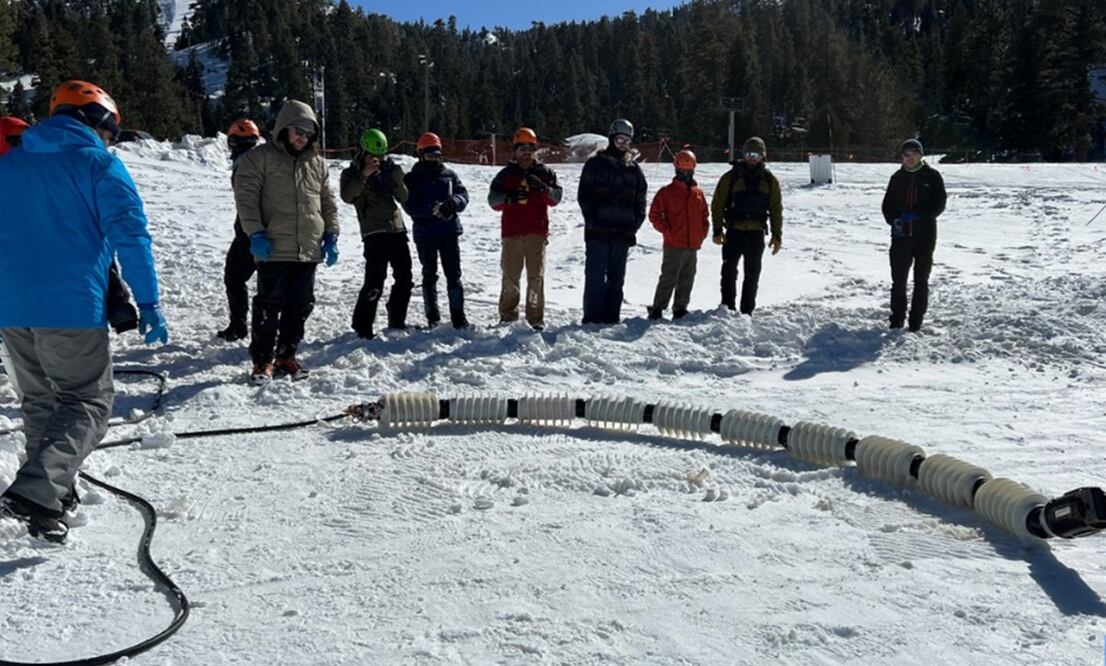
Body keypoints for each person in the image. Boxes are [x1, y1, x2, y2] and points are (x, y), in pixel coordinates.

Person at [0, 80, 168, 543]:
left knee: (42, 402)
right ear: (97, 120)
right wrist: (149, 301)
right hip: (70, 305)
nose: (109, 140)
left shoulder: (8, 165)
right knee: (87, 400)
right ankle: (39, 488)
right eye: (110, 130)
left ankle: (49, 500)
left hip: (11, 307)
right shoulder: (98, 165)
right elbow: (131, 236)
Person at [233, 100, 339, 384]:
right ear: (283, 130)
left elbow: (327, 202)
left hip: (308, 249)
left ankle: (286, 356)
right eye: (297, 131)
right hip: (274, 247)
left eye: (308, 133)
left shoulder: (317, 164)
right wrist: (255, 233)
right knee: (269, 305)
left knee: (300, 305)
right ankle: (262, 361)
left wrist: (332, 234)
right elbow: (246, 199)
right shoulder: (260, 158)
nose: (302, 137)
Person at [487, 127, 563, 330]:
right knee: (510, 278)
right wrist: (509, 198)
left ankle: (535, 318)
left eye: (530, 147)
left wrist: (544, 189)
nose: (526, 152)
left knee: (535, 278)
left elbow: (556, 198)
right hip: (511, 233)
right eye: (522, 147)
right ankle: (508, 316)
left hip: (536, 234)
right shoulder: (506, 175)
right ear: (515, 150)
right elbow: (493, 201)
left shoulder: (545, 173)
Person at [340, 128, 412, 339]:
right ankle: (362, 324)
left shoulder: (390, 169)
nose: (377, 160)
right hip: (373, 231)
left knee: (405, 278)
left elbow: (404, 197)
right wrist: (364, 175)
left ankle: (397, 319)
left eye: (380, 156)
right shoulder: (350, 173)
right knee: (374, 281)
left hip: (396, 228)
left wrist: (394, 178)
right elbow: (347, 196)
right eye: (373, 156)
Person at [577, 118, 647, 324]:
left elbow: (640, 202)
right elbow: (584, 196)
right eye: (619, 140)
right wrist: (592, 220)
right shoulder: (595, 165)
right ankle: (592, 319)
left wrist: (633, 226)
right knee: (595, 279)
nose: (623, 145)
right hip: (598, 233)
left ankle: (611, 318)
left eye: (627, 141)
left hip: (622, 235)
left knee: (616, 280)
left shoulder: (634, 170)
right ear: (611, 139)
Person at [402, 132, 470, 329]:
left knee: (454, 274)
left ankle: (458, 315)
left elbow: (462, 194)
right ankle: (432, 316)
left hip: (449, 232)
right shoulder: (412, 179)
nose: (434, 160)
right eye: (430, 155)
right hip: (425, 234)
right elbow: (409, 205)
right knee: (429, 274)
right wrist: (433, 208)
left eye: (437, 156)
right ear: (420, 154)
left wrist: (453, 204)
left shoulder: (449, 175)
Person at [711, 136, 783, 315]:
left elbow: (775, 208)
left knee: (752, 274)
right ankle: (727, 308)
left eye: (757, 154)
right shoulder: (730, 177)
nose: (752, 158)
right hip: (733, 232)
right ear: (743, 154)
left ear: (763, 156)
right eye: (749, 154)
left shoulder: (770, 180)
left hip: (756, 234)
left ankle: (747, 311)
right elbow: (717, 204)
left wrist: (777, 234)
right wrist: (718, 229)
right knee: (728, 271)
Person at [881, 138, 947, 332]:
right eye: (906, 155)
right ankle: (896, 320)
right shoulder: (897, 178)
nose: (910, 158)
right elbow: (887, 206)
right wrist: (894, 220)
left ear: (921, 155)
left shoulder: (932, 176)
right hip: (901, 238)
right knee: (898, 281)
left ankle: (916, 322)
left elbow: (939, 204)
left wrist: (920, 215)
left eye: (913, 154)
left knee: (921, 280)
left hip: (925, 237)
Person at [647, 149, 710, 320]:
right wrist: (667, 230)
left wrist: (702, 233)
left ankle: (680, 308)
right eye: (682, 171)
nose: (685, 174)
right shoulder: (666, 192)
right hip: (674, 244)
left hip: (693, 245)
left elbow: (704, 215)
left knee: (687, 278)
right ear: (676, 170)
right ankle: (658, 308)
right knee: (669, 277)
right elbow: (654, 215)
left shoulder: (698, 193)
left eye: (688, 171)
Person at [216, 118, 263, 342]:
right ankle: (257, 326)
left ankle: (239, 326)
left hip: (249, 230)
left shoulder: (244, 163)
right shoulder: (260, 160)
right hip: (261, 228)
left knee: (234, 278)